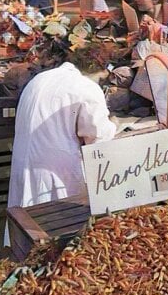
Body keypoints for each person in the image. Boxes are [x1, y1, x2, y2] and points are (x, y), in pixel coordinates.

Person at [7, 48, 117, 217]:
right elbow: (98, 138)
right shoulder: (86, 87)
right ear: (101, 71)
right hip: (55, 168)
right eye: (101, 79)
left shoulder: (41, 78)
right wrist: (113, 125)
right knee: (55, 225)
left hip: (25, 159)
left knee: (24, 221)